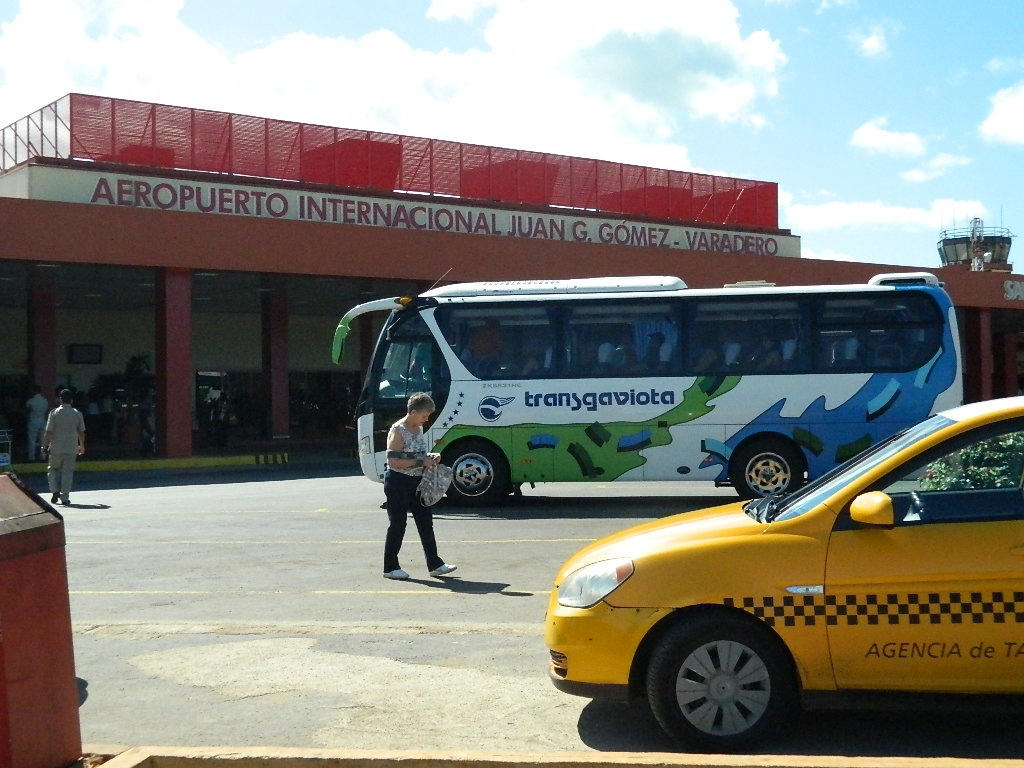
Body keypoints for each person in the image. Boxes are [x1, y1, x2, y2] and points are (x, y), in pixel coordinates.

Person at [381, 392, 457, 580]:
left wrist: (431, 456)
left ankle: (435, 564)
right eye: (424, 416)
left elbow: (416, 453)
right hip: (398, 482)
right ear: (413, 412)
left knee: (425, 523)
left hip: (417, 482)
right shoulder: (398, 429)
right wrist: (421, 461)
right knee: (398, 524)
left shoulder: (418, 428)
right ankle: (390, 567)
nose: (426, 419)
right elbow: (393, 460)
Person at [42, 389, 86, 506]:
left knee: (52, 470)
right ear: (71, 400)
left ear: (60, 400)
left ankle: (55, 490)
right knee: (67, 473)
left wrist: (44, 446)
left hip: (56, 447)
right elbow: (81, 432)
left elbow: (48, 432)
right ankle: (65, 497)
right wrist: (81, 445)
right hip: (71, 448)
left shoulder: (54, 413)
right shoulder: (77, 413)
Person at [25, 384, 49, 461]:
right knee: (43, 440)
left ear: (34, 391)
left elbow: (27, 411)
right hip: (43, 420)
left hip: (33, 421)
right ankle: (43, 456)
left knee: (32, 440)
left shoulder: (31, 401)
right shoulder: (45, 401)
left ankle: (31, 457)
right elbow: (46, 412)